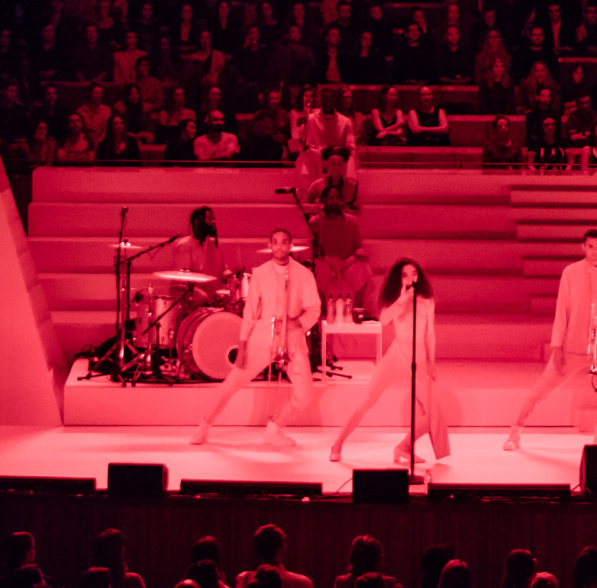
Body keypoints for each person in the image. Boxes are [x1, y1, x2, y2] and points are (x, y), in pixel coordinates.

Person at [191, 227, 321, 446]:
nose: (280, 246)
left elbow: (314, 309)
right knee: (231, 385)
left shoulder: (304, 274)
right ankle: (204, 426)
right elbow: (250, 313)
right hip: (263, 337)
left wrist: (297, 323)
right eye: (275, 242)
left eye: (284, 241)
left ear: (290, 245)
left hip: (293, 339)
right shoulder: (260, 273)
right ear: (270, 245)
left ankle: (275, 429)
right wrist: (242, 346)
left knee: (305, 394)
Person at [504, 228, 597, 449]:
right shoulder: (570, 272)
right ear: (583, 247)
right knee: (541, 390)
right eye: (590, 246)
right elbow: (561, 311)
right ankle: (515, 431)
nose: (594, 251)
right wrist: (558, 348)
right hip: (572, 346)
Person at [328, 259, 449, 467]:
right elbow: (384, 320)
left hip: (419, 356)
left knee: (433, 414)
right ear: (398, 279)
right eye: (404, 275)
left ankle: (404, 447)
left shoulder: (427, 300)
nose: (410, 278)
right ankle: (337, 444)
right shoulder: (397, 299)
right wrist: (402, 300)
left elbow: (430, 333)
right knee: (367, 400)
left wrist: (432, 361)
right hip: (398, 351)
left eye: (414, 273)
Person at [310, 193, 376, 320]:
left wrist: (360, 253)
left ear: (340, 201)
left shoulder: (352, 220)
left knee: (363, 267)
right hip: (326, 262)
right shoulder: (317, 221)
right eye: (330, 198)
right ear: (325, 200)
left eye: (336, 198)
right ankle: (322, 308)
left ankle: (357, 307)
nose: (333, 201)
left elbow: (358, 246)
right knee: (315, 268)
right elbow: (313, 245)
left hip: (347, 262)